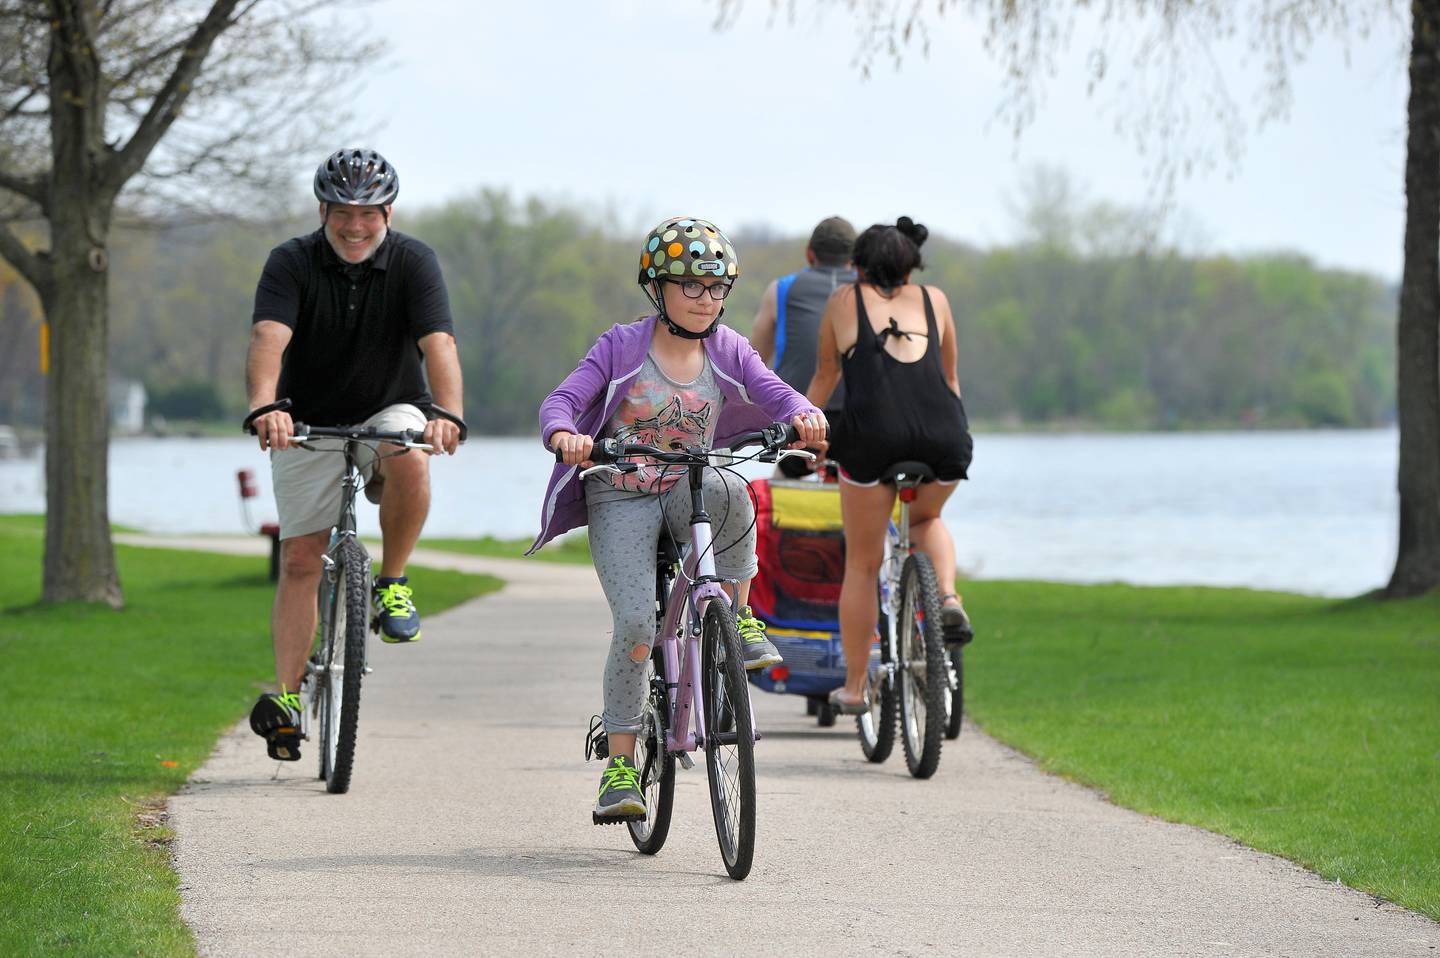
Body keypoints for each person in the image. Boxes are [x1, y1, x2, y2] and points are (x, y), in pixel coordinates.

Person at [532, 216, 827, 823]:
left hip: (684, 487)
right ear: (657, 288)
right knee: (638, 626)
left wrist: (805, 414)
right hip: (620, 493)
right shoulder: (620, 347)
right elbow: (563, 400)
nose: (706, 299)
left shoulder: (728, 349)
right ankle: (618, 766)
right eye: (690, 285)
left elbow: (775, 391)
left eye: (717, 287)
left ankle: (739, 618)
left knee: (734, 488)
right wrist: (565, 434)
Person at [244, 148, 464, 761]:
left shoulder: (415, 262)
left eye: (368, 213)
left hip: (389, 404)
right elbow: (269, 338)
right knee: (299, 561)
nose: (355, 226)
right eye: (342, 212)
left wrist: (447, 413)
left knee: (409, 453)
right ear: (323, 210)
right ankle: (288, 700)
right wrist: (266, 407)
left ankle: (392, 580)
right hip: (303, 418)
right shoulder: (290, 262)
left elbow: (439, 343)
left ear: (387, 212)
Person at [804, 216, 974, 715]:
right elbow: (950, 377)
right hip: (945, 438)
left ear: (857, 266)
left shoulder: (843, 302)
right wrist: (955, 434)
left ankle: (856, 688)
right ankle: (946, 598)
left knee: (862, 562)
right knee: (927, 519)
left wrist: (805, 433)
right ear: (910, 265)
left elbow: (825, 376)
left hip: (871, 440)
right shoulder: (935, 299)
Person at [750, 216, 856, 478]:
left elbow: (753, 361)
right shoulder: (869, 294)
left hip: (798, 422)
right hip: (856, 425)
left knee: (781, 489)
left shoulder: (781, 289)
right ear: (853, 258)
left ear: (810, 254)